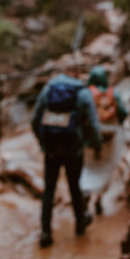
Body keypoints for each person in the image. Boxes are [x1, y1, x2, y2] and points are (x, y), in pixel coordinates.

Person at [31, 69, 103, 248]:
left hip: (51, 150)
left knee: (49, 190)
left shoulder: (48, 89)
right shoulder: (83, 93)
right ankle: (80, 224)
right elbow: (94, 124)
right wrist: (97, 145)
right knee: (75, 186)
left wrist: (43, 143)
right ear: (76, 77)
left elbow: (34, 119)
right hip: (73, 149)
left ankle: (46, 231)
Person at [82, 65, 129, 215]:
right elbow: (123, 112)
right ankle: (99, 199)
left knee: (89, 168)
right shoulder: (113, 94)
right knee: (106, 168)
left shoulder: (86, 94)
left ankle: (86, 193)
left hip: (89, 139)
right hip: (110, 138)